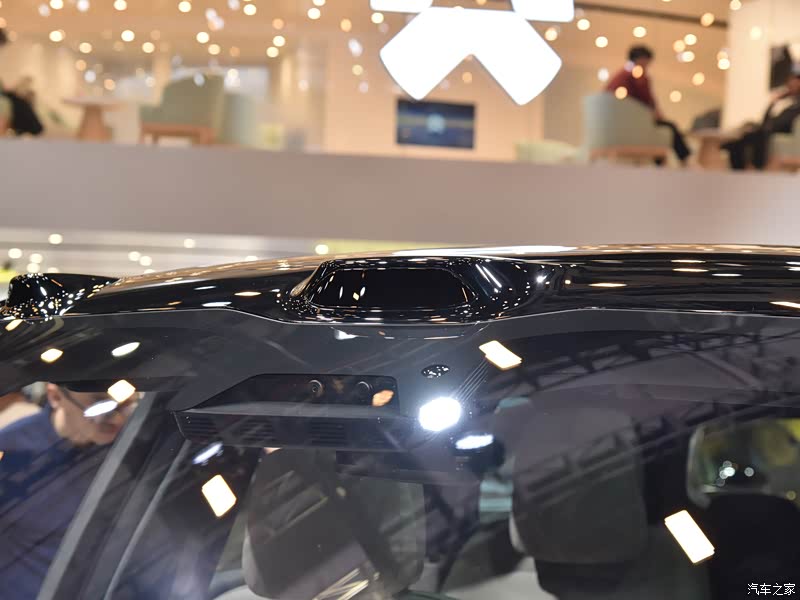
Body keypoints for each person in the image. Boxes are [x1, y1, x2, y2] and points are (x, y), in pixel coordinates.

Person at [0, 383, 136, 599]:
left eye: (125, 403)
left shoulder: (134, 444)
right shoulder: (11, 454)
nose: (117, 418)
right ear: (55, 396)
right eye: (101, 404)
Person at [606, 45, 691, 165]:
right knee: (670, 127)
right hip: (633, 120)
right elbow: (646, 100)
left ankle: (664, 162)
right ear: (642, 59)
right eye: (647, 60)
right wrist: (655, 113)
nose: (648, 64)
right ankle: (684, 159)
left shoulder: (621, 75)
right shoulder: (636, 76)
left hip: (620, 122)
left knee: (664, 127)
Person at [722, 71, 800, 170]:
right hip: (768, 128)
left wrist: (768, 126)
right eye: (790, 83)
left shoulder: (796, 103)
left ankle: (756, 166)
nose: (790, 85)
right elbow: (765, 119)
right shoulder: (785, 101)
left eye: (794, 83)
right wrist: (772, 103)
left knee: (757, 134)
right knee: (748, 130)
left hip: (780, 129)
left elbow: (785, 121)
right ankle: (733, 149)